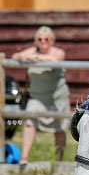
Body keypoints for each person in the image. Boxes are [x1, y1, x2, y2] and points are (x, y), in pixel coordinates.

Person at [12, 26, 69, 163]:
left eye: (46, 39)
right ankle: (24, 158)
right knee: (29, 123)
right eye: (40, 39)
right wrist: (27, 56)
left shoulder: (58, 51)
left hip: (57, 98)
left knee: (60, 129)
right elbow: (15, 56)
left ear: (52, 40)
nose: (43, 42)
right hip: (37, 98)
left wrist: (34, 57)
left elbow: (55, 59)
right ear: (36, 41)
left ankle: (59, 161)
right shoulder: (33, 50)